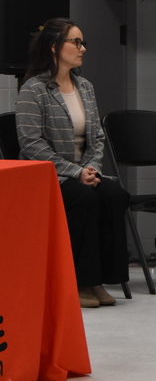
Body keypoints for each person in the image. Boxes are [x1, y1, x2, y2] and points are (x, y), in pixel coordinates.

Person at [16, 17, 130, 309]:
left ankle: (99, 280)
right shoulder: (34, 89)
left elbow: (97, 137)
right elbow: (31, 144)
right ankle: (78, 282)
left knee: (115, 195)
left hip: (83, 172)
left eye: (83, 42)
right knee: (84, 199)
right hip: (48, 176)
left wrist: (91, 169)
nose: (83, 49)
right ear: (54, 47)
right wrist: (76, 172)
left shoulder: (85, 87)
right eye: (76, 42)